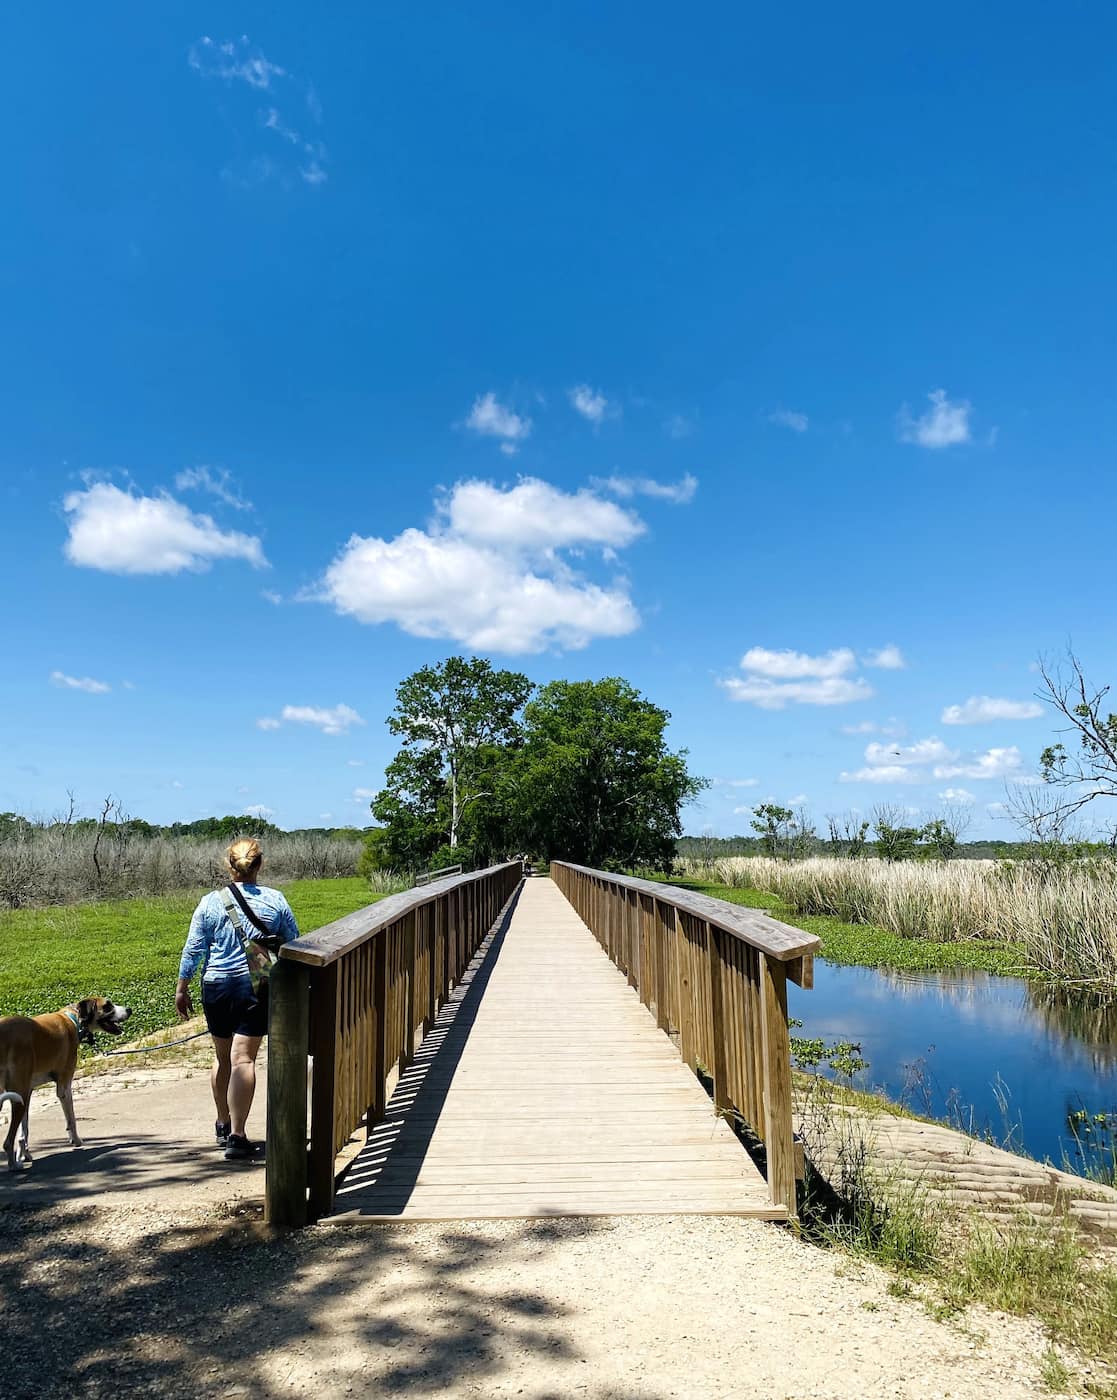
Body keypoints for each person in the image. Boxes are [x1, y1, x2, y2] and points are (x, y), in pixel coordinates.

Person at [175, 837, 299, 1161]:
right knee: (243, 1059)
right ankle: (237, 1135)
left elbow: (193, 949)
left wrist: (182, 988)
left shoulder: (209, 902)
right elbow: (294, 942)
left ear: (229, 865)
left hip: (215, 986)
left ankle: (221, 1121)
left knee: (222, 1056)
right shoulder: (275, 901)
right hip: (252, 986)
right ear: (259, 865)